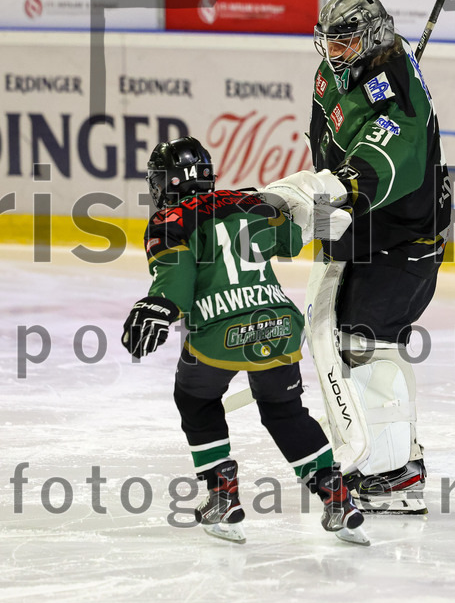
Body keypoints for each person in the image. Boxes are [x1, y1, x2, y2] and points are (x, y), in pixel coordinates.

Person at [122, 136, 367, 545]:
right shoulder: (248, 201)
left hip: (221, 332)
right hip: (278, 325)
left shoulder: (169, 221)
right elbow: (295, 236)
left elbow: (176, 284)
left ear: (162, 183)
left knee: (196, 400)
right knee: (284, 411)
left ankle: (223, 496)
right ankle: (337, 498)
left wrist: (158, 307)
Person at [261, 0, 451, 514]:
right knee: (342, 336)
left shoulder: (396, 94)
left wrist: (340, 189)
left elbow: (387, 160)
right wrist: (327, 219)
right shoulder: (334, 72)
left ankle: (396, 474)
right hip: (363, 229)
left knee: (366, 340)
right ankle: (378, 444)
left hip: (405, 239)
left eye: (344, 42)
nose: (332, 51)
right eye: (329, 40)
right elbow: (328, 146)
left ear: (369, 39)